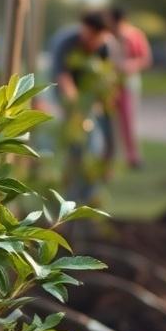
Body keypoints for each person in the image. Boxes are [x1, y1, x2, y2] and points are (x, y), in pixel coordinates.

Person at [48, 11, 117, 202]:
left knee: (102, 135)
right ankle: (70, 187)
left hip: (90, 94)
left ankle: (95, 181)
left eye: (91, 36)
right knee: (75, 140)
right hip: (67, 94)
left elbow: (106, 77)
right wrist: (76, 106)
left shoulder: (105, 46)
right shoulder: (66, 42)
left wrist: (99, 100)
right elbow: (62, 76)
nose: (86, 39)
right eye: (84, 33)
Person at [107, 6, 152, 169]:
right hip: (109, 84)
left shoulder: (134, 35)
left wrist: (131, 65)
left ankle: (133, 157)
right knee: (109, 122)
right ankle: (110, 157)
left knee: (129, 121)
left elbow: (146, 59)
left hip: (128, 83)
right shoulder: (108, 35)